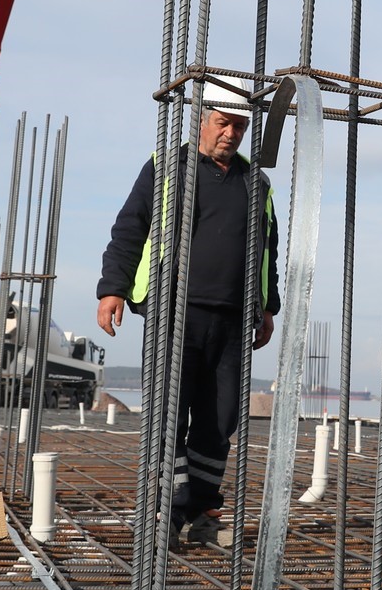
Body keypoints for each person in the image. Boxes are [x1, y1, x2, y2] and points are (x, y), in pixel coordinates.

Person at [98, 79, 279, 546]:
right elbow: (130, 228)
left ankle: (200, 512)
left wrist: (267, 307)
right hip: (174, 309)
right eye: (224, 123)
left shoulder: (255, 182)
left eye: (240, 126)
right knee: (169, 413)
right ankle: (164, 512)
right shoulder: (166, 167)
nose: (231, 133)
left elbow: (268, 250)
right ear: (203, 120)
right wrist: (113, 289)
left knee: (220, 419)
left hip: (234, 319)